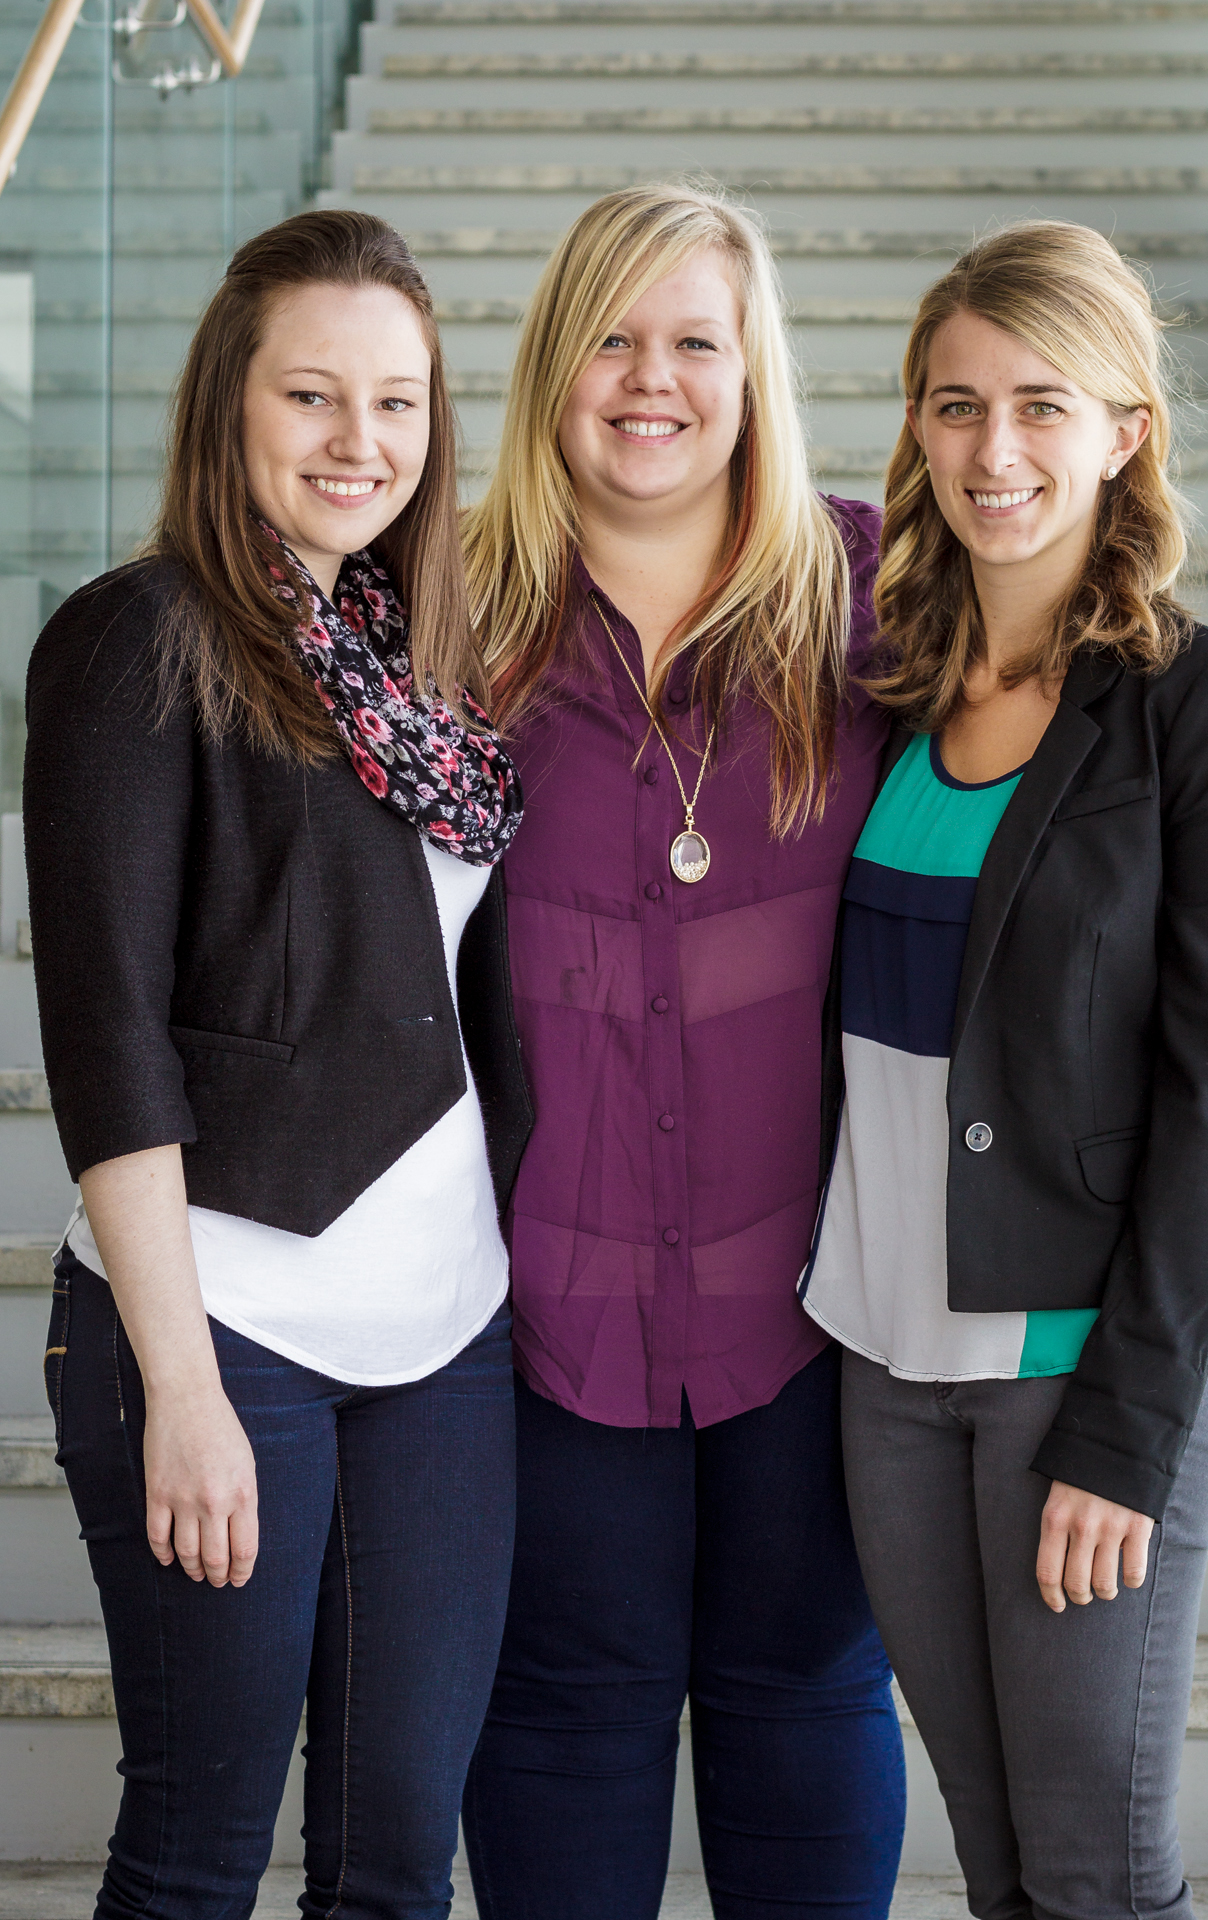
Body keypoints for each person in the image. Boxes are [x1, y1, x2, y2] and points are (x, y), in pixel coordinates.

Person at [23, 209, 529, 1920]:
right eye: (312, 395)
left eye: (397, 402)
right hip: (223, 1325)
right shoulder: (138, 639)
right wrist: (180, 1388)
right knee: (194, 1857)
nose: (358, 441)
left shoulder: (426, 665)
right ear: (227, 403)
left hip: (446, 1334)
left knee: (396, 1861)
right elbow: (105, 1035)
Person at [803, 220, 1208, 1920]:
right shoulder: (882, 693)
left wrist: (1129, 1430)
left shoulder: (1207, 716)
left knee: (1095, 1876)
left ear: (1126, 431)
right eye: (957, 405)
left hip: (1077, 1371)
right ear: (917, 428)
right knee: (1000, 1866)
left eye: (1041, 405)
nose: (993, 450)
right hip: (886, 1364)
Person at [458, 184, 905, 1920]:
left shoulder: (882, 597)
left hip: (817, 1302)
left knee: (805, 1693)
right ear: (552, 367)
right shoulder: (450, 613)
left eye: (695, 341)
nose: (653, 379)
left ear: (753, 367)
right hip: (540, 1308)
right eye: (613, 339)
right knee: (564, 1710)